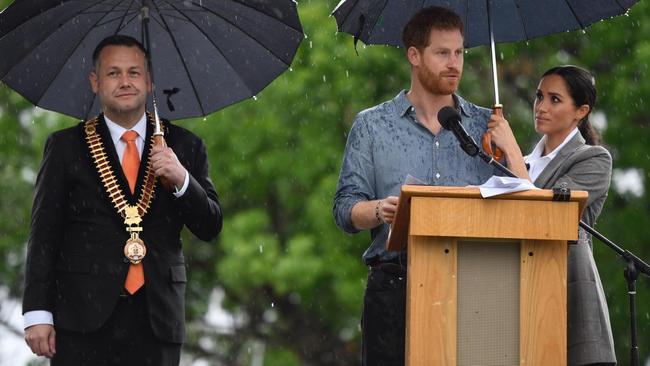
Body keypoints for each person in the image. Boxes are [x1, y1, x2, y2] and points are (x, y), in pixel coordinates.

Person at [22, 35, 223, 365]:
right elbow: (44, 233)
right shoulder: (65, 147)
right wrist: (37, 312)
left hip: (157, 317)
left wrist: (182, 180)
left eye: (134, 72)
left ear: (149, 80)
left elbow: (210, 225)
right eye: (113, 73)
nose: (125, 82)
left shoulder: (185, 146)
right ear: (95, 82)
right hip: (82, 316)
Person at [332, 7, 495, 366]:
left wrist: (510, 148)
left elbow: (519, 202)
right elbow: (344, 210)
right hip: (393, 287)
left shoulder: (488, 125)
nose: (454, 63)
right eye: (442, 53)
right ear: (414, 55)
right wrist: (380, 209)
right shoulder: (371, 126)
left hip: (470, 286)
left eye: (459, 52)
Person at [487, 65, 616, 366]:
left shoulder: (594, 159)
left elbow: (544, 218)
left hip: (567, 297)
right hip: (517, 299)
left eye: (555, 99)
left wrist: (513, 152)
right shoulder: (522, 163)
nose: (541, 107)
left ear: (580, 111)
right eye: (539, 96)